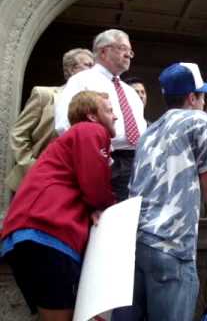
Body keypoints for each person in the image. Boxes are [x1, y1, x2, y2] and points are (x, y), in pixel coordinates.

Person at [113, 62, 207, 321]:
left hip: (135, 244)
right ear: (192, 98)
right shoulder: (198, 119)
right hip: (171, 244)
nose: (204, 102)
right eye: (202, 96)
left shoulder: (148, 131)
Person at [1, 91, 117, 321]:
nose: (115, 117)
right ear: (92, 116)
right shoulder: (90, 130)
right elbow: (95, 183)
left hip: (25, 238)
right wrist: (107, 206)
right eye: (109, 111)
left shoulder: (66, 141)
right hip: (48, 234)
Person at [55, 29, 147, 202]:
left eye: (130, 51)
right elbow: (64, 124)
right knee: (101, 221)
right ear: (104, 51)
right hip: (101, 160)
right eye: (122, 48)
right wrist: (99, 157)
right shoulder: (81, 80)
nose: (129, 55)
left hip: (137, 165)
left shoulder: (131, 92)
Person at [5, 48, 94, 192]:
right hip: (41, 176)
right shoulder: (44, 95)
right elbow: (19, 133)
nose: (93, 70)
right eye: (88, 65)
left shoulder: (96, 103)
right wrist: (30, 165)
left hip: (75, 179)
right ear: (71, 69)